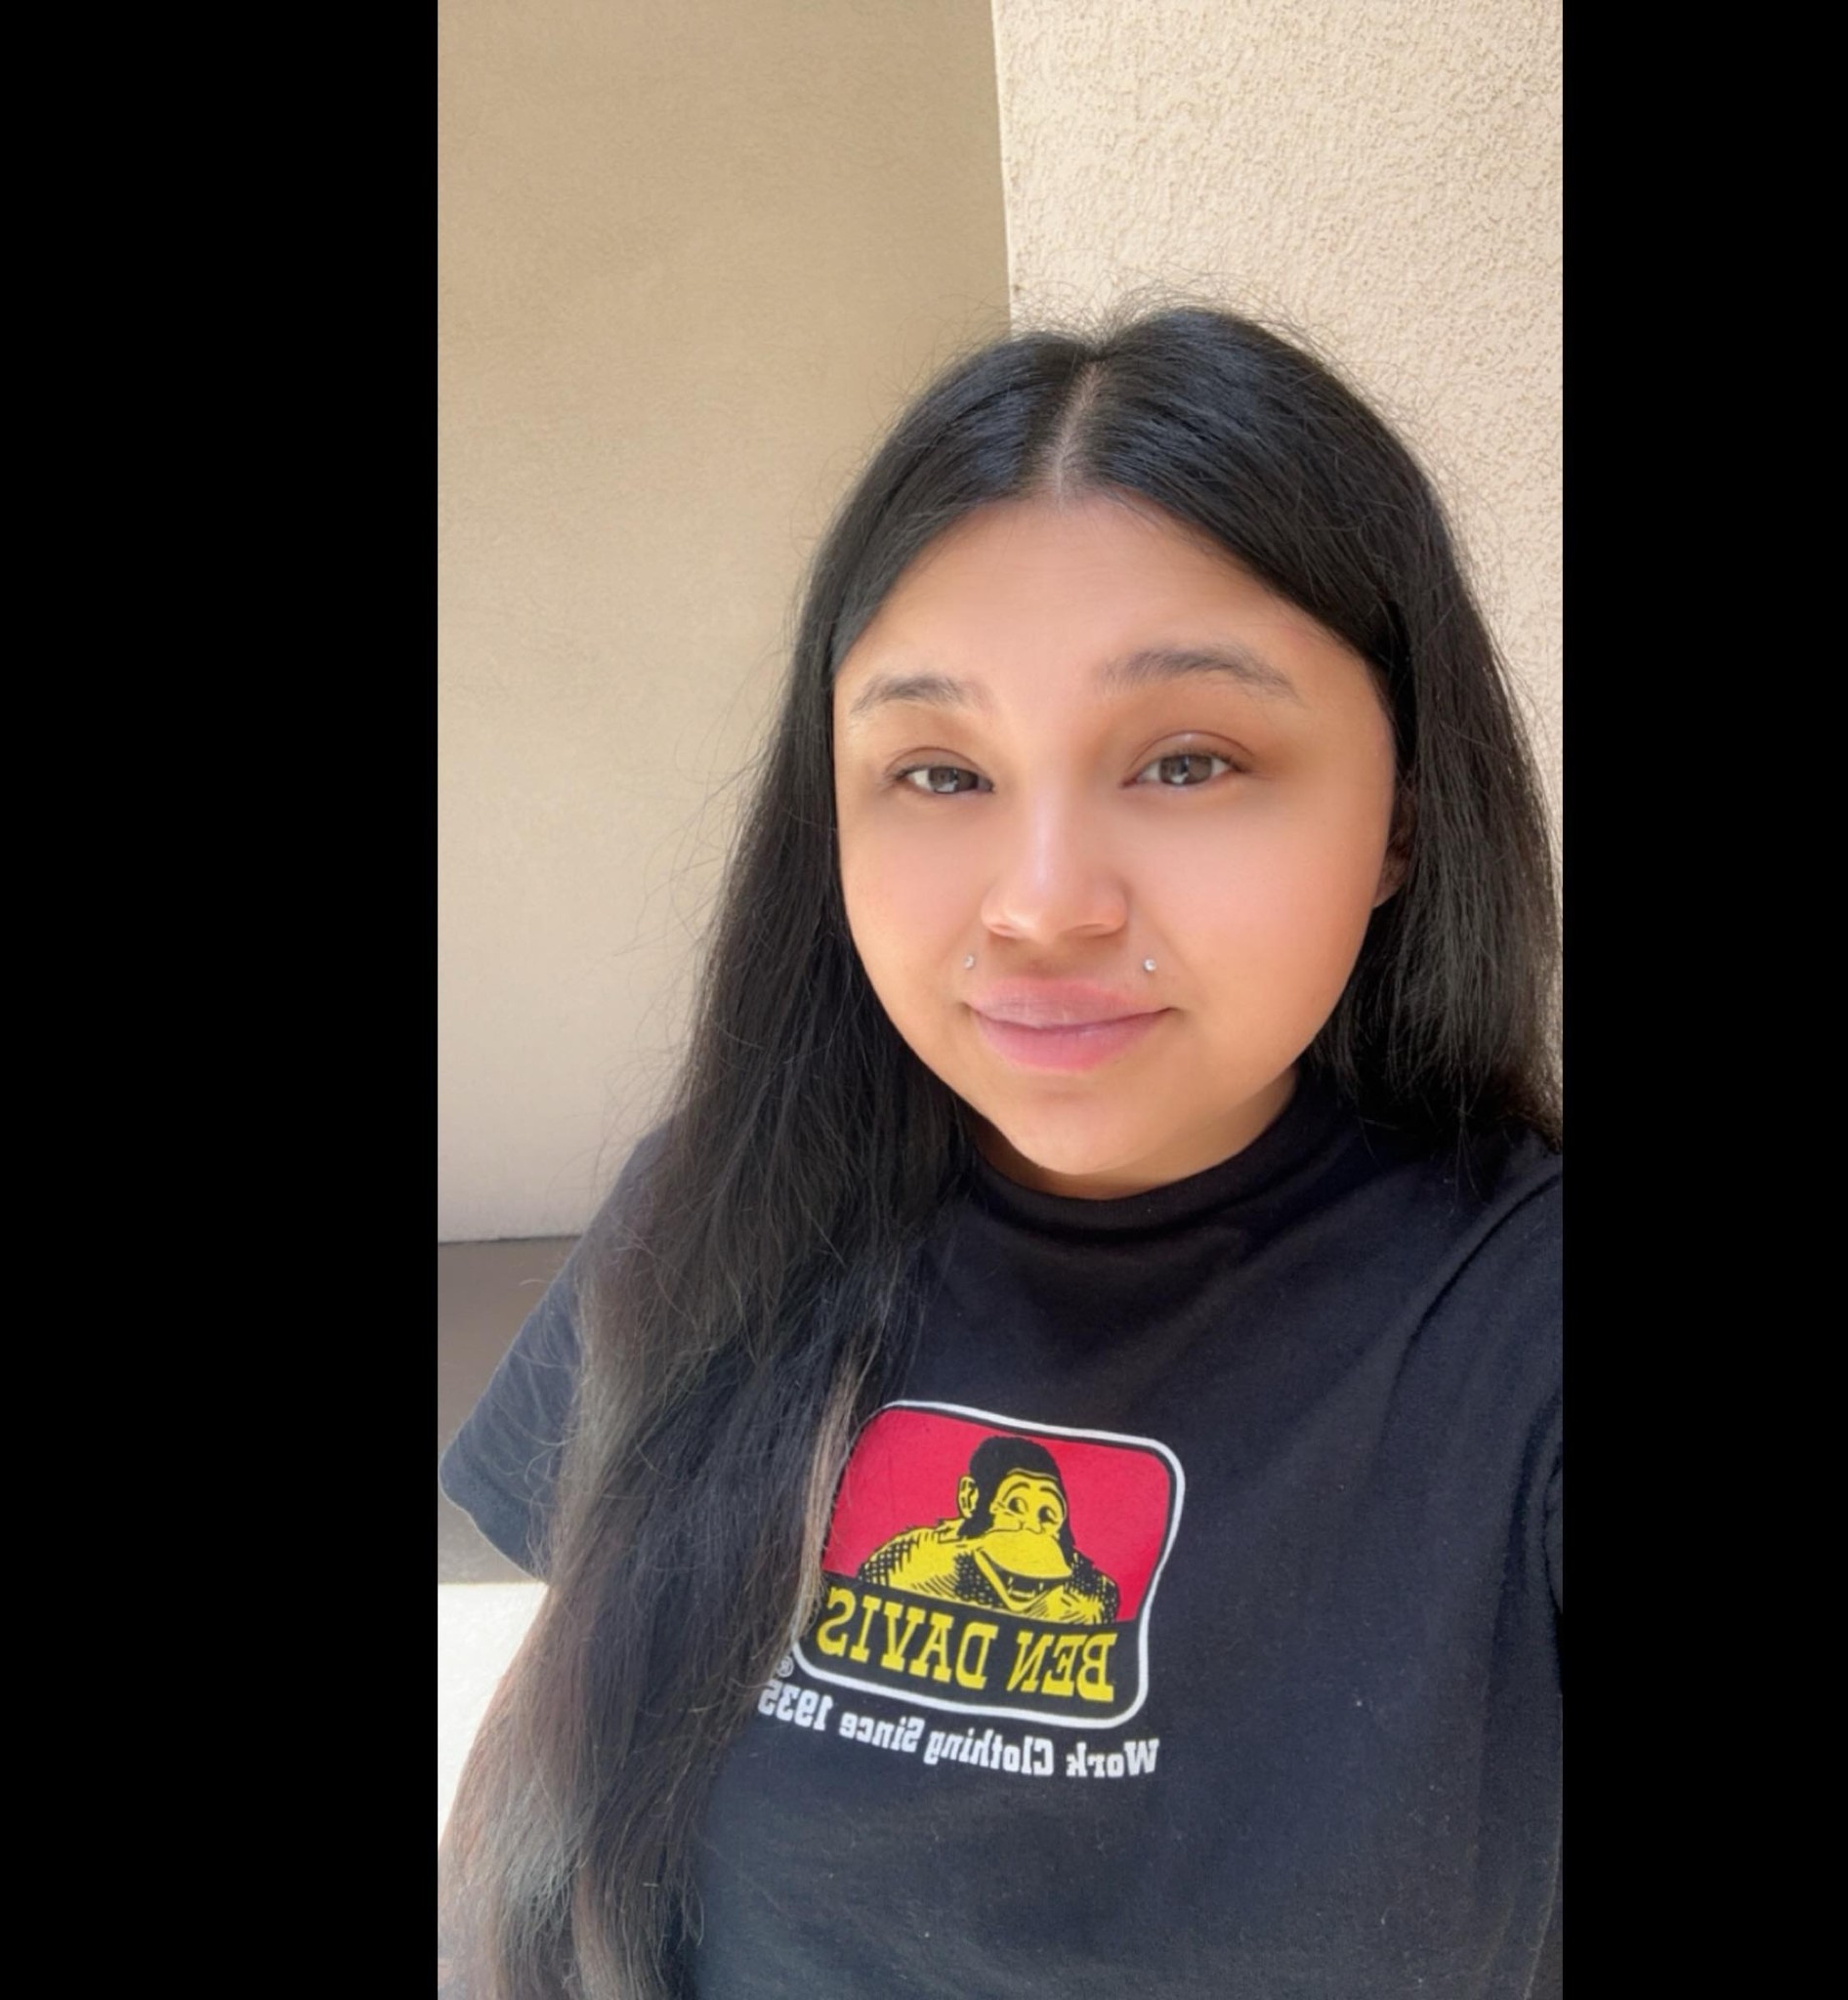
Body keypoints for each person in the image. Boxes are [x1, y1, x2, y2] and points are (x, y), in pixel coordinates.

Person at [440, 306, 1562, 2000]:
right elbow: (542, 1786)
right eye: (940, 771)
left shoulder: (1518, 1326)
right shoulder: (713, 1208)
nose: (1042, 906)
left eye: (1188, 759)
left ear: (1404, 814)